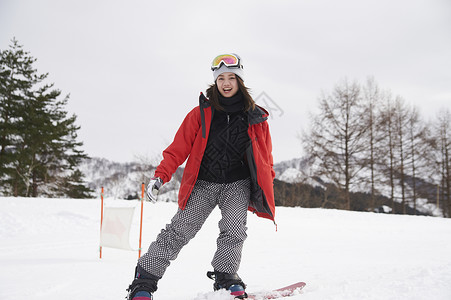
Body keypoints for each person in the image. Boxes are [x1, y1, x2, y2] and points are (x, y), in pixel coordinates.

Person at [126, 53, 275, 300]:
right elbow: (178, 149)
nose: (226, 83)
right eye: (221, 79)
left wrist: (268, 182)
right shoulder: (201, 113)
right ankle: (144, 281)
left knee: (234, 230)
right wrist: (161, 176)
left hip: (237, 184)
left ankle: (226, 279)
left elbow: (266, 156)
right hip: (203, 183)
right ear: (215, 82)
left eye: (231, 78)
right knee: (179, 230)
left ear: (240, 81)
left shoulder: (256, 117)